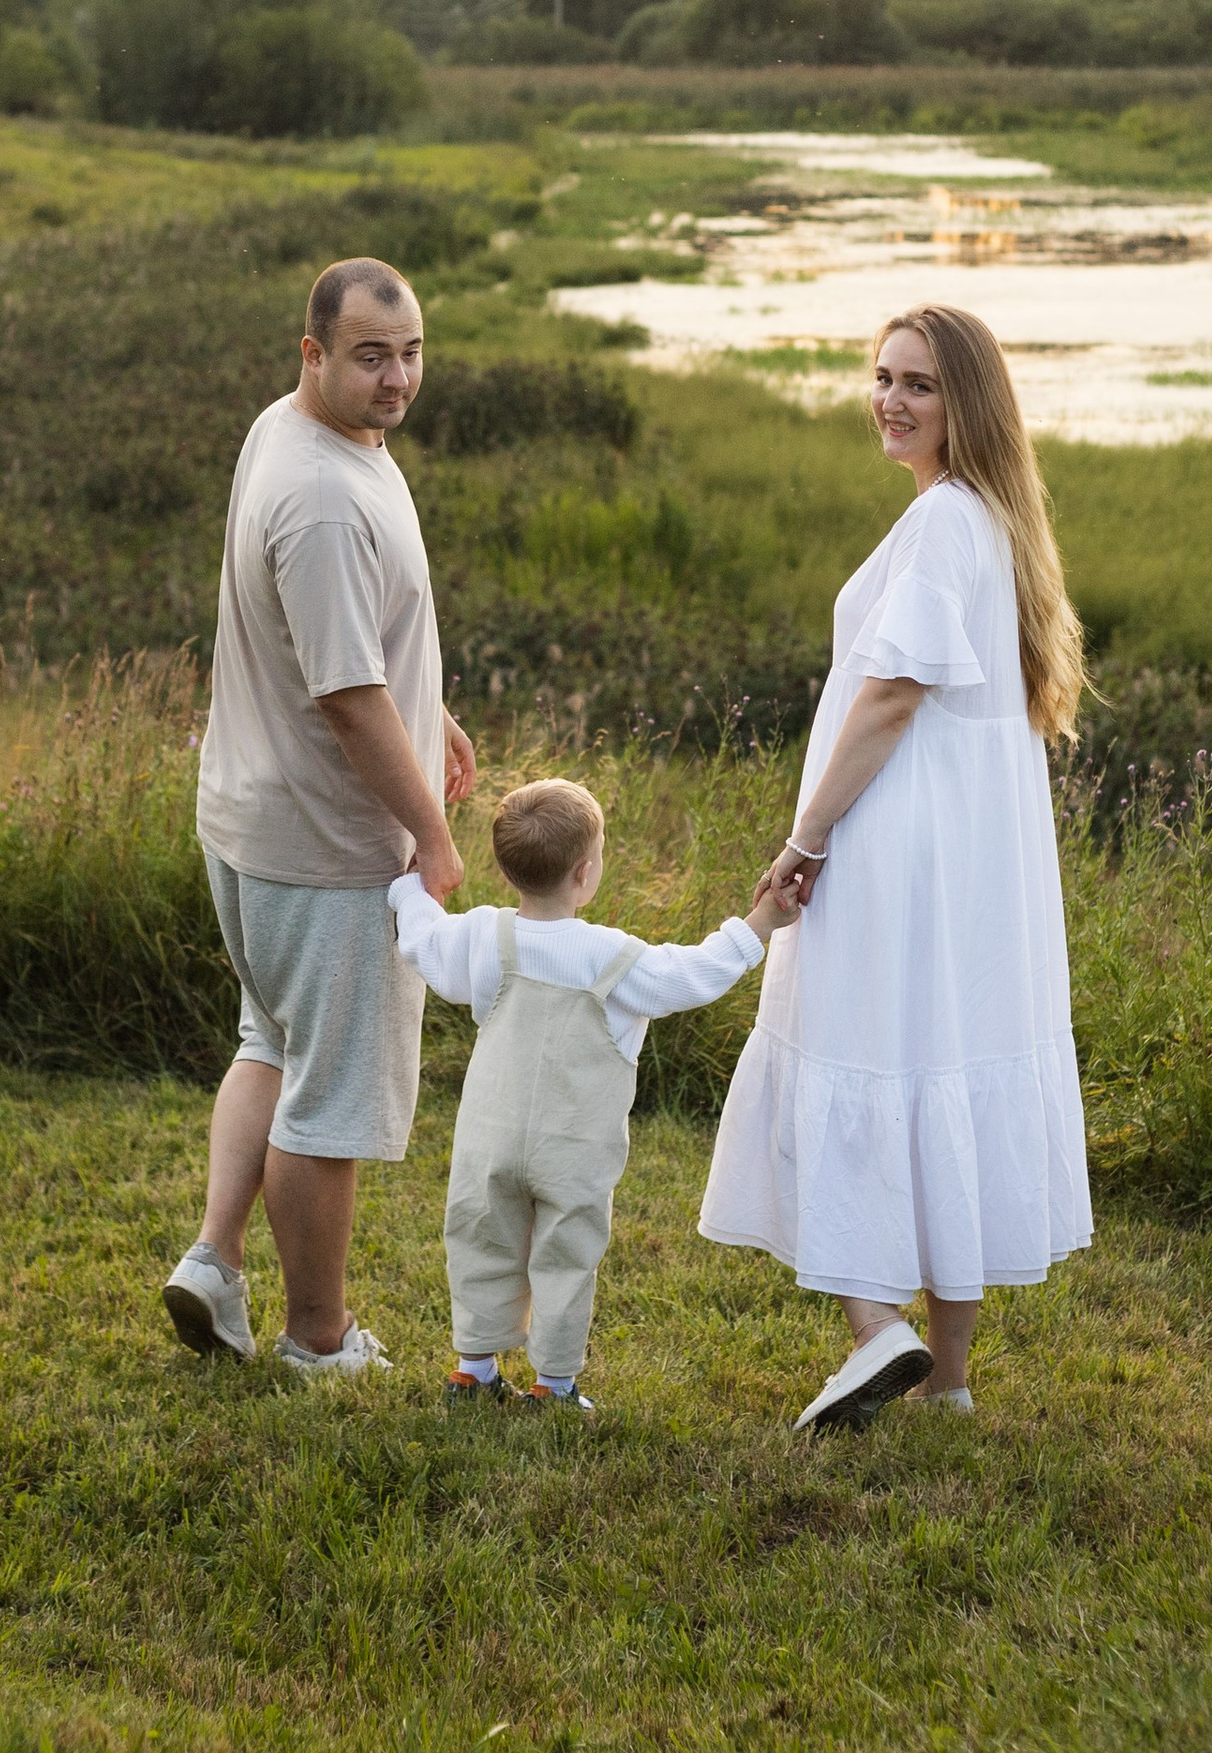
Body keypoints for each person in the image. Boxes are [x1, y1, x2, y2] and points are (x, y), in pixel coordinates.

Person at [699, 302, 1093, 1433]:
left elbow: (890, 695)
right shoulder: (987, 520)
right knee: (942, 1068)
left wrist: (805, 836)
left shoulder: (941, 526)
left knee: (854, 1048)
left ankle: (879, 1332)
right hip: (965, 861)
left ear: (964, 401)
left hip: (897, 842)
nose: (890, 399)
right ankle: (951, 1382)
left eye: (917, 383)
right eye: (881, 376)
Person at [162, 256, 477, 1377]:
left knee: (271, 1044)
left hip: (248, 822)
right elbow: (345, 698)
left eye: (412, 353)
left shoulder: (289, 434)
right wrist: (431, 840)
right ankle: (315, 1337)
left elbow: (349, 648)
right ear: (313, 353)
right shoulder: (329, 499)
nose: (397, 379)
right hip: (328, 848)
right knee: (332, 1098)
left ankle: (211, 1261)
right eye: (369, 356)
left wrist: (430, 714)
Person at [389, 777, 795, 1413]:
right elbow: (693, 973)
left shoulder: (482, 938)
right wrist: (761, 922)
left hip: (487, 1140)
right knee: (566, 1256)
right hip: (573, 1151)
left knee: (480, 1238)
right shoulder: (614, 958)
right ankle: (551, 1385)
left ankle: (472, 1369)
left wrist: (411, 888)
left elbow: (422, 940)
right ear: (584, 873)